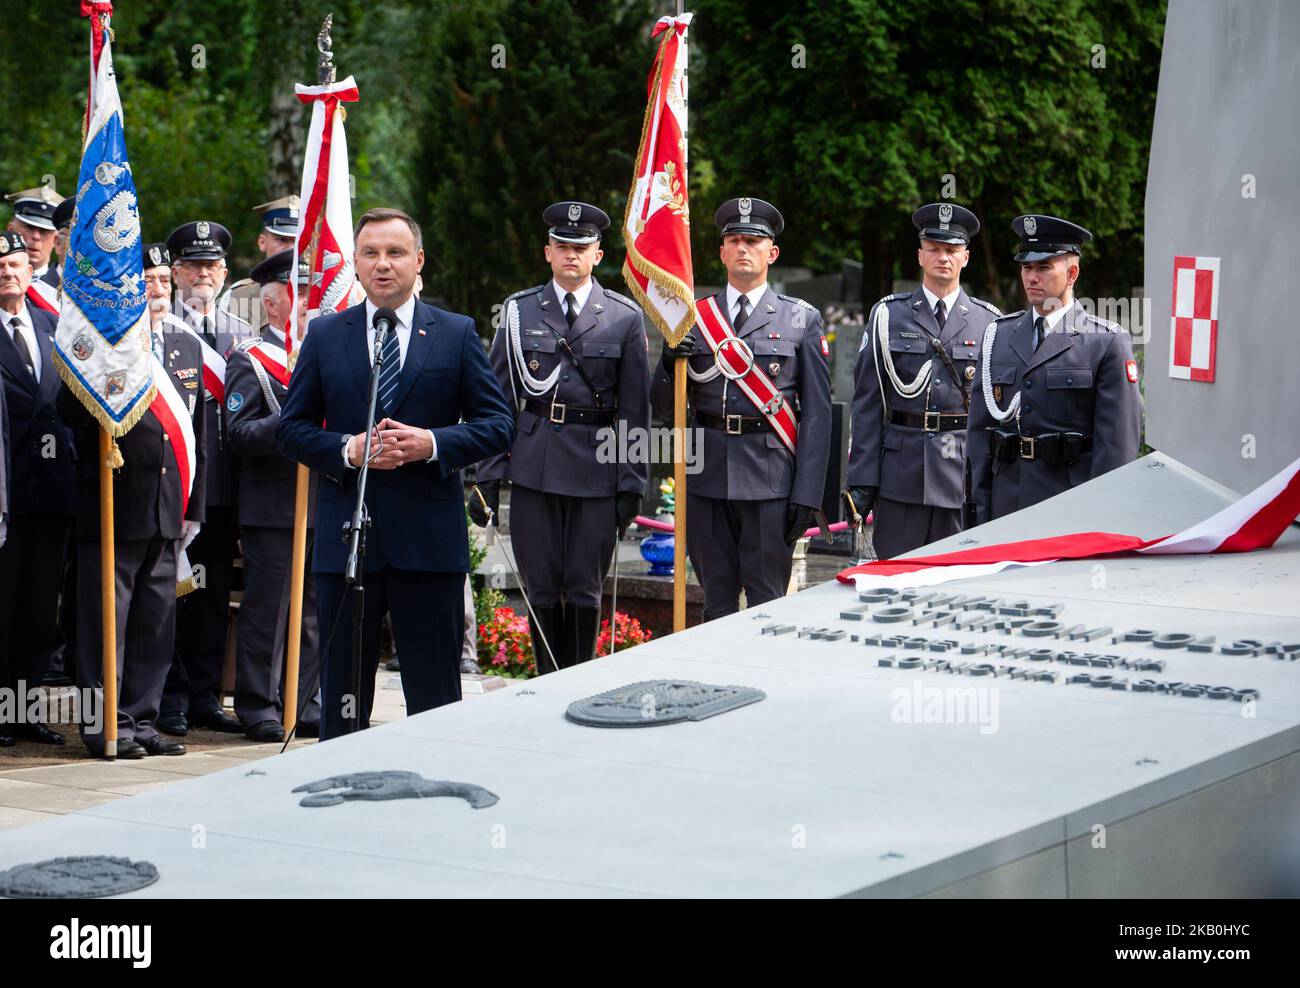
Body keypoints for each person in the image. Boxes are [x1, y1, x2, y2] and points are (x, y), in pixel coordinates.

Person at [277, 207, 514, 741]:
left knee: (434, 702)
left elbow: (499, 425)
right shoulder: (325, 335)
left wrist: (431, 443)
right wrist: (347, 448)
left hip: (428, 545)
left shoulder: (455, 333)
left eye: (396, 253)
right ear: (356, 264)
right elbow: (290, 430)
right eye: (371, 254)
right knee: (342, 704)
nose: (383, 265)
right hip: (347, 542)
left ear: (418, 260)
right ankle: (340, 795)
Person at [472, 201, 649, 671]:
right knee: (542, 585)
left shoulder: (624, 317)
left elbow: (635, 410)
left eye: (581, 247)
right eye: (563, 246)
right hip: (535, 466)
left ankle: (577, 681)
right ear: (547, 252)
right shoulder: (517, 311)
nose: (572, 255)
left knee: (585, 586)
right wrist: (487, 475)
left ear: (598, 254)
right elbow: (498, 401)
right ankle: (547, 680)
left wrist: (632, 483)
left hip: (598, 471)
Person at [650, 197, 832, 621]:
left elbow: (818, 416)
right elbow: (662, 407)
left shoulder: (800, 320)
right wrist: (666, 361)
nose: (743, 248)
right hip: (706, 479)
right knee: (714, 601)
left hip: (770, 482)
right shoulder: (691, 318)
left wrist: (807, 495)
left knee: (767, 604)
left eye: (753, 240)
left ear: (773, 252)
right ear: (722, 251)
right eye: (734, 240)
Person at [58, 242, 206, 759]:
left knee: (155, 626)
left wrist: (194, 507)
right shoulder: (105, 344)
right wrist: (95, 364)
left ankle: (142, 719)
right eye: (146, 280)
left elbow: (197, 435)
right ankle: (107, 726)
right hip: (113, 509)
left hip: (169, 510)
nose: (157, 288)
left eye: (164, 280)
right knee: (107, 627)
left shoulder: (185, 347)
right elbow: (68, 413)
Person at [844, 203, 1002, 558]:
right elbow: (868, 404)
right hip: (902, 477)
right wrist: (861, 482)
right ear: (919, 255)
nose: (942, 257)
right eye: (934, 248)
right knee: (895, 588)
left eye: (951, 250)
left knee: (957, 589)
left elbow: (995, 412)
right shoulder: (888, 315)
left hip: (961, 478)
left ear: (966, 258)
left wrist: (991, 483)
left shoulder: (989, 322)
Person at [967, 214, 1142, 522]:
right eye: (1026, 267)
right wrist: (977, 510)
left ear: (1072, 273)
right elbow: (980, 435)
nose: (1032, 277)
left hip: (1068, 510)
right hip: (1004, 507)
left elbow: (1116, 449)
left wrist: (1099, 523)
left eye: (1044, 267)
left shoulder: (1105, 343)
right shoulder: (999, 336)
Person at [159, 220, 250, 735]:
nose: (203, 273)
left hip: (221, 493)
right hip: (174, 491)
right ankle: (168, 698)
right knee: (173, 597)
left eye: (212, 265)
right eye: (193, 264)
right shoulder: (157, 327)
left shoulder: (241, 334)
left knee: (213, 598)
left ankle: (205, 696)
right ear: (175, 272)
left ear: (224, 272)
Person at [226, 249, 320, 741]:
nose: (308, 302)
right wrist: (291, 420)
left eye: (310, 292)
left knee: (312, 613)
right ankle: (259, 705)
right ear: (272, 304)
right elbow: (237, 435)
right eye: (297, 293)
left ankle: (304, 701)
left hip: (322, 501)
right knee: (269, 611)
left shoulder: (324, 355)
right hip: (272, 505)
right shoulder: (250, 358)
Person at [0, 231, 77, 746]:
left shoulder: (53, 327)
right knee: (2, 605)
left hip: (52, 494)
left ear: (32, 271)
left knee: (36, 608)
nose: (9, 272)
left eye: (16, 263)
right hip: (6, 494)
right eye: (0, 265)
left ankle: (25, 711)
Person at [4, 185, 61, 289]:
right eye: (29, 227)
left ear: (56, 240)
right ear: (10, 230)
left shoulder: (68, 292)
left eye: (45, 231)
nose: (36, 236)